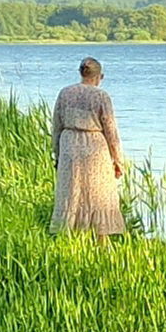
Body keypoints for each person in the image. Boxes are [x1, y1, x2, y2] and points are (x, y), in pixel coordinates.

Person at [49, 57, 127, 237]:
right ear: (100, 76)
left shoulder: (65, 93)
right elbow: (110, 130)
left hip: (69, 144)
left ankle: (67, 232)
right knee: (98, 191)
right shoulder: (101, 96)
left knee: (71, 189)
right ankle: (100, 237)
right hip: (94, 145)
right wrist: (118, 160)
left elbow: (56, 125)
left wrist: (57, 153)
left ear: (81, 73)